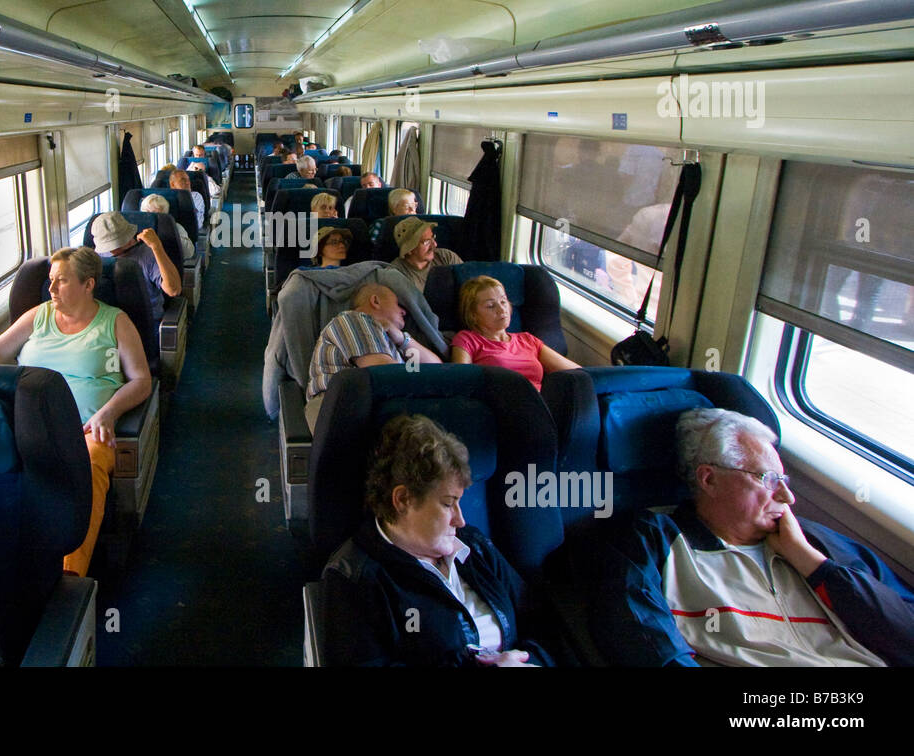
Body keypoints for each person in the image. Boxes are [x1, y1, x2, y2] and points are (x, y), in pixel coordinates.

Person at [593, 408, 914, 666]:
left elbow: (906, 634)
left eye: (784, 480)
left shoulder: (816, 544)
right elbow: (646, 642)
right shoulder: (653, 542)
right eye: (769, 479)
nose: (788, 497)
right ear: (709, 479)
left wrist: (812, 563)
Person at [0, 247, 152, 576]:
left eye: (61, 281)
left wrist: (108, 412)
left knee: (90, 464)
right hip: (25, 425)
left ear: (88, 284)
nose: (50, 289)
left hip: (87, 430)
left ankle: (70, 575)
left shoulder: (115, 322)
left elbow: (141, 380)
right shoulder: (38, 317)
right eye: (50, 280)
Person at [320, 415, 557, 666]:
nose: (461, 520)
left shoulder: (474, 546)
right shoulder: (354, 578)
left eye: (459, 502)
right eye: (447, 504)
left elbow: (540, 624)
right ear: (402, 500)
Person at [305, 283, 441, 431]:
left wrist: (403, 340)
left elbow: (438, 370)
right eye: (397, 304)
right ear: (375, 301)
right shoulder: (354, 319)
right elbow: (388, 375)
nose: (404, 312)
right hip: (342, 406)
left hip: (375, 408)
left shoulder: (393, 342)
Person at [449, 276, 578, 390]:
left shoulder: (527, 340)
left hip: (540, 401)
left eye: (503, 301)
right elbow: (462, 383)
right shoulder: (467, 339)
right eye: (490, 306)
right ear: (473, 315)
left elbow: (577, 373)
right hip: (501, 405)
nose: (501, 310)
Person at [90, 210, 180, 321]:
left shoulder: (147, 254)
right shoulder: (98, 256)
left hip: (146, 320)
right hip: (108, 319)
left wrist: (157, 247)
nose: (112, 250)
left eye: (116, 244)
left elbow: (174, 290)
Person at [386, 216, 462, 293]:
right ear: (409, 250)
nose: (435, 244)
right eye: (426, 242)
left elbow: (468, 286)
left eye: (433, 237)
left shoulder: (446, 257)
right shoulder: (396, 275)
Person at [141, 193, 194, 262]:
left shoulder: (175, 227)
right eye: (146, 212)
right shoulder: (135, 227)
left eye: (156, 213)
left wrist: (171, 234)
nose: (150, 216)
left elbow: (189, 253)